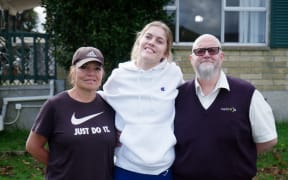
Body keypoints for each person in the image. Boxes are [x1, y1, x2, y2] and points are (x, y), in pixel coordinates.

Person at [172, 34, 278, 180]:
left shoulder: (247, 93)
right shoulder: (177, 96)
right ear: (191, 59)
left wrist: (237, 154)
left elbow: (268, 139)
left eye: (212, 50)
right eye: (200, 51)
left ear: (221, 56)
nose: (207, 55)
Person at [100, 21, 184, 180]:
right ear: (139, 41)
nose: (152, 43)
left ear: (166, 52)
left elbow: (186, 104)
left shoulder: (174, 74)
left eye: (159, 41)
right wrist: (110, 131)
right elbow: (101, 101)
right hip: (126, 167)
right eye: (148, 37)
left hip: (162, 170)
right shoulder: (119, 75)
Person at [25, 47, 116, 180]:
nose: (91, 73)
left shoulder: (109, 104)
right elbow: (33, 146)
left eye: (97, 68)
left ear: (102, 73)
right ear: (72, 71)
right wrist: (59, 167)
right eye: (84, 67)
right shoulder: (54, 106)